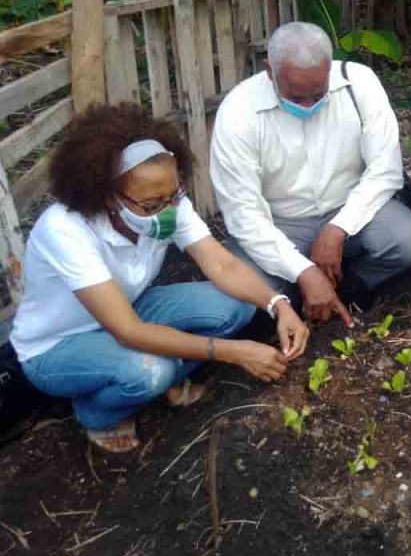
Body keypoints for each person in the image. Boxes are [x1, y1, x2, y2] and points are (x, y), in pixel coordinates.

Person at [10, 104, 309, 453]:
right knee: (151, 372)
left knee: (236, 306)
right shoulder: (65, 229)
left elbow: (222, 266)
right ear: (107, 195)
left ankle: (166, 376)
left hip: (129, 311)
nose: (167, 212)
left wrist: (278, 304)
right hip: (58, 346)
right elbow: (129, 332)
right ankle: (96, 414)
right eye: (151, 205)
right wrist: (233, 352)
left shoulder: (165, 202)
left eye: (173, 196)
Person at [211, 22, 411, 324]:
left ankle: (353, 285)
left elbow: (385, 170)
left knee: (408, 240)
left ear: (329, 67)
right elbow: (243, 213)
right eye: (296, 96)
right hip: (280, 221)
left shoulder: (358, 83)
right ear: (269, 71)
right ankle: (304, 289)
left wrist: (337, 228)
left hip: (351, 208)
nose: (309, 104)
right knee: (242, 292)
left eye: (318, 94)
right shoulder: (239, 112)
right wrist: (304, 271)